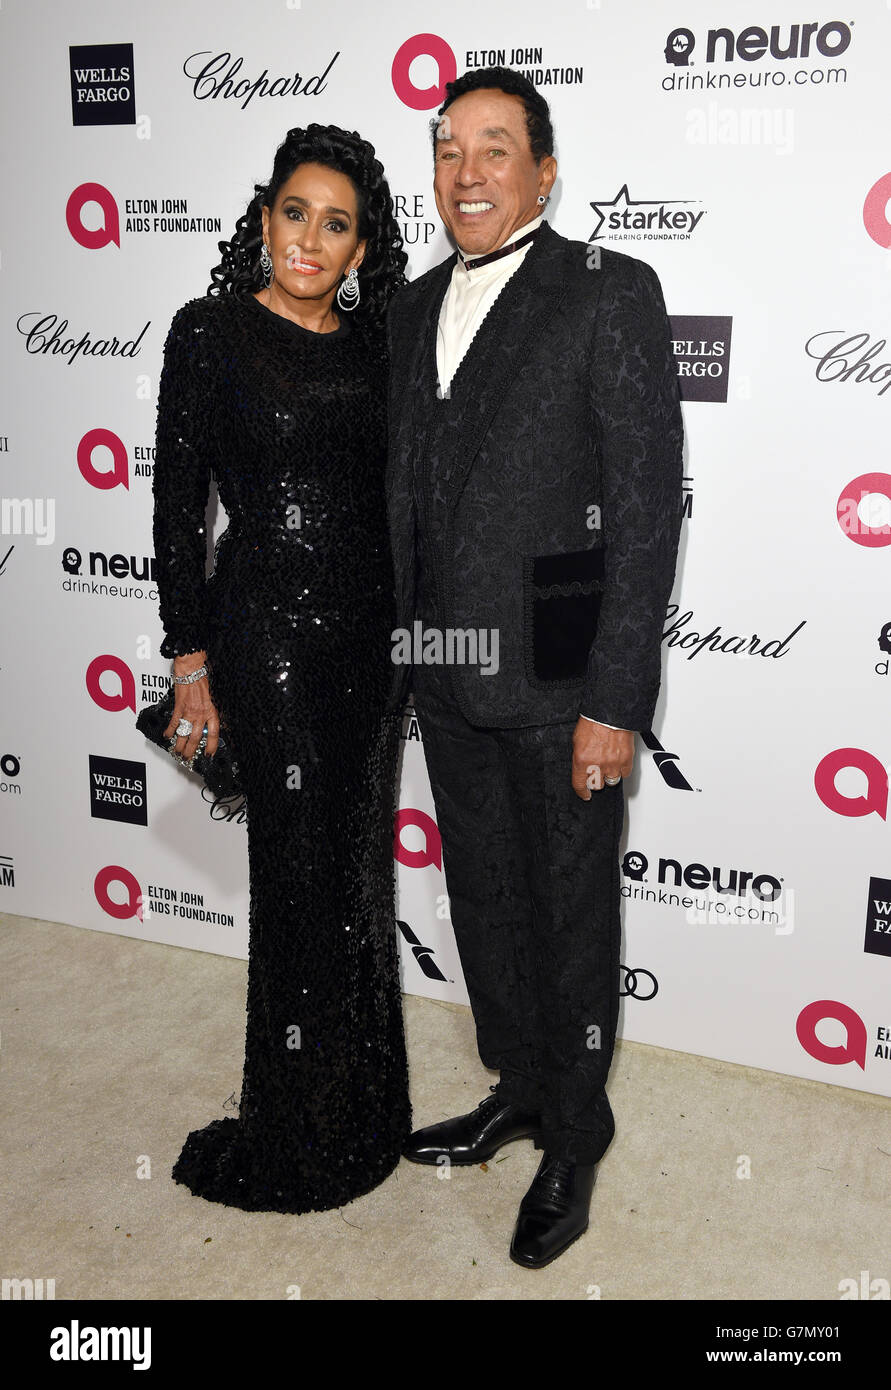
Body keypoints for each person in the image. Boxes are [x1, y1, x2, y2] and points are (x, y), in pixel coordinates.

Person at [385, 68, 684, 1266]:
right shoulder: (406, 307)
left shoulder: (609, 292)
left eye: (495, 149)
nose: (467, 172)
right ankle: (518, 1085)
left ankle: (577, 1126)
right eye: (450, 148)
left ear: (545, 173)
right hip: (443, 671)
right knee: (486, 896)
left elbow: (650, 506)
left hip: (565, 678)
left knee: (569, 910)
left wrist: (618, 695)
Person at [152, 124, 412, 1213]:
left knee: (357, 878)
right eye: (295, 213)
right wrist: (191, 660)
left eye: (336, 224)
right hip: (268, 647)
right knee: (298, 884)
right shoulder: (209, 333)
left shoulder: (380, 345)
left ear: (361, 249)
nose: (311, 239)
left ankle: (364, 1109)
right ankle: (298, 1129)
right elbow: (175, 505)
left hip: (371, 647)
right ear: (264, 220)